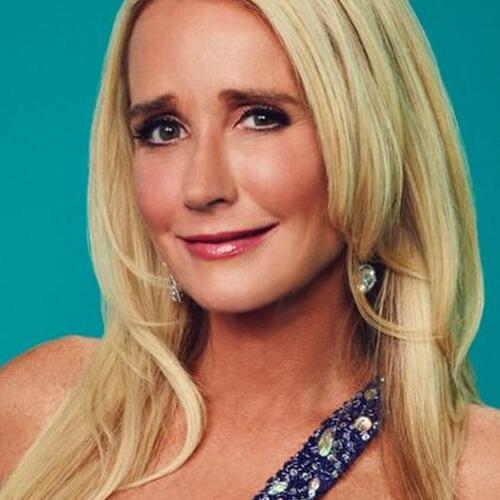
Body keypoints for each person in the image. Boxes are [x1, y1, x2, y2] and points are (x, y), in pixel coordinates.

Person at [1, 0, 499, 498]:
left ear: (370, 136)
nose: (202, 187)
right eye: (164, 129)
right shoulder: (41, 412)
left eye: (261, 118)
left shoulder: (476, 476)